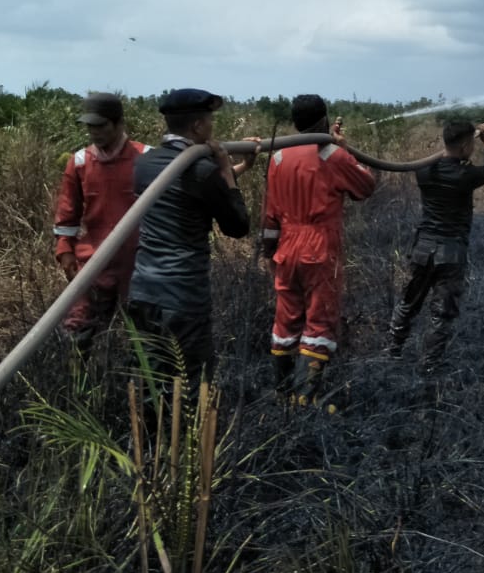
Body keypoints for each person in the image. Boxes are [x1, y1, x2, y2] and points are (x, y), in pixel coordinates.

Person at [127, 88, 255, 398]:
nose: (213, 126)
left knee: (150, 378)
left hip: (143, 292)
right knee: (189, 382)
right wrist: (225, 172)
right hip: (182, 296)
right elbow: (238, 226)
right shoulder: (203, 170)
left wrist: (236, 169)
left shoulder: (144, 164)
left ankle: (148, 428)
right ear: (197, 126)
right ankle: (186, 430)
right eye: (209, 120)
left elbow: (189, 192)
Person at [262, 94, 377, 404]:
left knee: (286, 320)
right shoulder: (333, 156)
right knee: (319, 322)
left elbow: (269, 215)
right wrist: (345, 149)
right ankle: (304, 401)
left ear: (295, 123)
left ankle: (282, 394)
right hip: (319, 249)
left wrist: (268, 252)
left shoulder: (278, 158)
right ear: (324, 119)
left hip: (285, 249)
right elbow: (366, 186)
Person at [387, 120, 484, 374]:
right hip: (451, 253)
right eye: (470, 145)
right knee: (442, 313)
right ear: (465, 145)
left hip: (422, 249)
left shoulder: (423, 170)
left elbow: (444, 160)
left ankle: (392, 352)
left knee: (408, 303)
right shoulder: (466, 175)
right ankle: (430, 365)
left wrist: (454, 151)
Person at [53, 92, 151, 353]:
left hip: (139, 262)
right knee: (78, 332)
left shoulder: (146, 158)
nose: (94, 132)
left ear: (119, 124)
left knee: (146, 335)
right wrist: (65, 250)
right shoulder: (80, 162)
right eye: (90, 127)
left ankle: (138, 378)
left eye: (101, 126)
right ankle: (79, 378)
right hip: (94, 261)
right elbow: (67, 214)